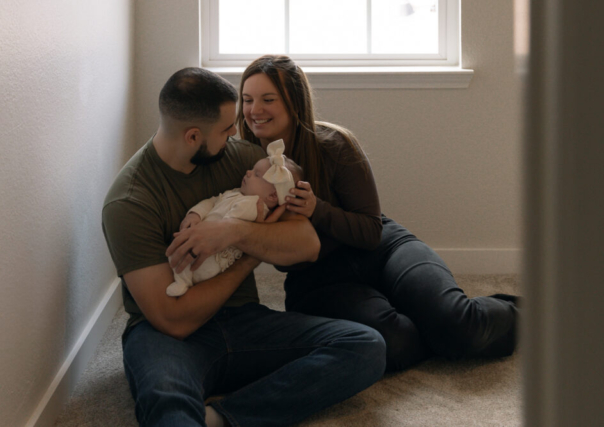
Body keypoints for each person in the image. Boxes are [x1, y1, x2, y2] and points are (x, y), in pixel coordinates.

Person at [102, 67, 386, 427]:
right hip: (168, 338)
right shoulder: (130, 202)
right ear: (192, 136)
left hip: (244, 320)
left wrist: (231, 232)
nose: (237, 132)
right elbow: (172, 320)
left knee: (365, 346)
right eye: (225, 129)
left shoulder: (237, 158)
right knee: (168, 407)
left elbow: (306, 244)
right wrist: (250, 255)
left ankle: (224, 418)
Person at [235, 54, 519, 373]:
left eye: (267, 99)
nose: (254, 110)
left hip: (383, 248)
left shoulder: (335, 144)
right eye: (247, 100)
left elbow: (371, 231)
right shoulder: (244, 166)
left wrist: (318, 210)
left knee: (456, 325)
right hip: (318, 279)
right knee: (394, 346)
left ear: (294, 102)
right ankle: (430, 328)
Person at [167, 140, 303, 297]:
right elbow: (213, 201)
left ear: (273, 195)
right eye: (252, 169)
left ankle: (184, 282)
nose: (248, 172)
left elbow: (231, 224)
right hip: (201, 235)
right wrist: (195, 214)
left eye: (256, 174)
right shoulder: (236, 192)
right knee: (177, 251)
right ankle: (182, 280)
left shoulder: (254, 207)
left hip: (215, 256)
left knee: (197, 266)